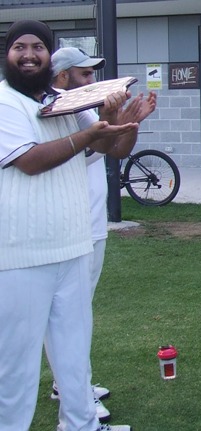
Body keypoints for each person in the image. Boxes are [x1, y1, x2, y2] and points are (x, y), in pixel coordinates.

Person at [0, 20, 138, 431]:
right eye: (19, 47)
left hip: (74, 244)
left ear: (49, 55)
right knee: (18, 363)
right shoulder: (6, 102)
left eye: (37, 47)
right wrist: (90, 133)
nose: (28, 55)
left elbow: (106, 147)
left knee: (73, 352)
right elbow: (29, 160)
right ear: (7, 55)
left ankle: (81, 424)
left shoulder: (63, 100)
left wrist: (116, 118)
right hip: (23, 253)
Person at [49, 47, 156, 424]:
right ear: (62, 77)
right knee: (70, 317)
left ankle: (73, 384)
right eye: (84, 74)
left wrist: (130, 123)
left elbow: (114, 151)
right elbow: (92, 149)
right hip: (70, 228)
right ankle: (74, 395)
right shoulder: (60, 109)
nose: (92, 81)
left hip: (91, 226)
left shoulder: (84, 108)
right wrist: (112, 120)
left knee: (79, 313)